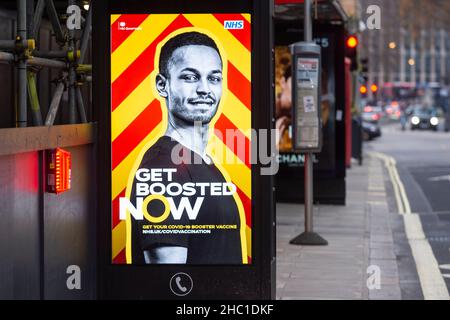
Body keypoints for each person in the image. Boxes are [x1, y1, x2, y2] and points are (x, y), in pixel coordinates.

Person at [129, 31, 244, 264]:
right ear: (162, 85)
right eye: (190, 77)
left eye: (213, 78)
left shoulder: (203, 162)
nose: (204, 89)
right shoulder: (163, 169)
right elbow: (168, 280)